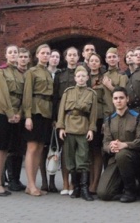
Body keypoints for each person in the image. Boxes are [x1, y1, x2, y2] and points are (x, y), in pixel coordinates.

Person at [97, 86, 140, 202]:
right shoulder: (109, 120)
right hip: (115, 159)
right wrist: (111, 146)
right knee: (103, 194)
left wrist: (125, 145)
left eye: (121, 98)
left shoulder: (138, 117)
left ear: (127, 99)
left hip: (134, 159)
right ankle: (121, 186)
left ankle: (130, 191)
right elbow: (105, 142)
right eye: (115, 98)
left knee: (123, 154)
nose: (118, 101)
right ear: (113, 101)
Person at [56, 65, 97, 202]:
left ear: (87, 78)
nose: (81, 78)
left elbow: (93, 114)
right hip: (68, 127)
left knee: (83, 157)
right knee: (69, 158)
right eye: (78, 76)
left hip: (83, 128)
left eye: (83, 76)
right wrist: (61, 127)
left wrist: (91, 129)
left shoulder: (91, 94)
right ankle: (76, 187)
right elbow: (61, 110)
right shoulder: (68, 92)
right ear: (75, 78)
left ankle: (84, 188)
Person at [0, 44, 24, 196]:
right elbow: (1, 94)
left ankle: (0, 181)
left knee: (8, 149)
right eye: (10, 52)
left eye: (15, 52)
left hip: (15, 115)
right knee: (0, 148)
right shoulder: (1, 71)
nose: (13, 54)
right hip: (1, 113)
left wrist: (19, 113)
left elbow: (24, 96)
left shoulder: (22, 74)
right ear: (6, 55)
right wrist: (10, 113)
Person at [22, 43, 53, 196]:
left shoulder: (48, 73)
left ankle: (32, 184)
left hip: (46, 113)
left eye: (48, 53)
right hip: (34, 112)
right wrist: (27, 116)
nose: (46, 55)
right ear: (37, 55)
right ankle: (31, 184)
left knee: (40, 149)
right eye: (43, 53)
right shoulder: (31, 72)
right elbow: (27, 94)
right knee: (32, 148)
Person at [53, 46, 80, 195]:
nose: (72, 57)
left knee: (76, 151)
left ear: (78, 57)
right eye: (69, 55)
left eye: (74, 55)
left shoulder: (82, 74)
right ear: (65, 57)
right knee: (64, 152)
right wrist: (56, 119)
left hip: (78, 119)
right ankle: (64, 182)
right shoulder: (59, 75)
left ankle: (73, 182)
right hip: (63, 117)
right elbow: (55, 98)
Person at [5, 47, 31, 192]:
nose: (22, 59)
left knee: (20, 148)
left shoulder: (29, 74)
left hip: (22, 115)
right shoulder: (11, 73)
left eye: (25, 56)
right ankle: (10, 179)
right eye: (20, 56)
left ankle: (16, 179)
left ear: (28, 59)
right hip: (11, 114)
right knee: (10, 147)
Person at [39, 49, 61, 193]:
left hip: (56, 115)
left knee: (54, 148)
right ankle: (44, 181)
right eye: (52, 56)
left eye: (57, 57)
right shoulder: (43, 73)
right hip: (43, 113)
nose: (54, 59)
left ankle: (52, 181)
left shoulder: (60, 74)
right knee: (42, 148)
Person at [87, 52, 106, 194]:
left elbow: (107, 100)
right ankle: (87, 182)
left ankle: (95, 183)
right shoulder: (84, 77)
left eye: (96, 61)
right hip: (85, 118)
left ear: (100, 64)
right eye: (91, 60)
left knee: (97, 151)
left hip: (99, 117)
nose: (93, 63)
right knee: (87, 151)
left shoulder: (104, 78)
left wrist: (106, 119)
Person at [102, 47, 128, 118]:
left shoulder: (122, 75)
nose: (112, 59)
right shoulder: (104, 75)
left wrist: (110, 87)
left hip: (118, 110)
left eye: (114, 56)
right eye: (109, 57)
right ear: (106, 60)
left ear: (118, 59)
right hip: (106, 111)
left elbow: (123, 93)